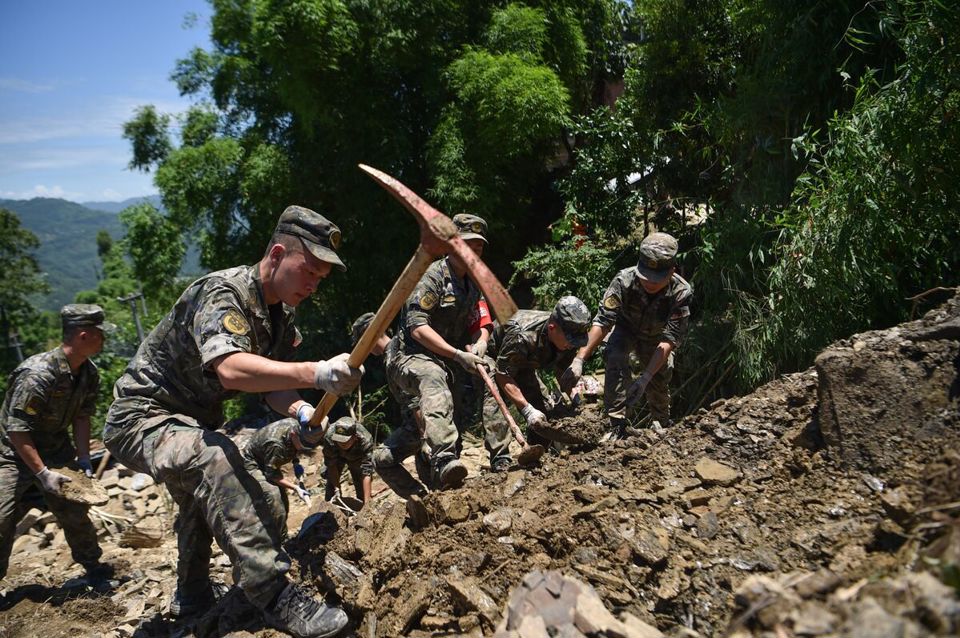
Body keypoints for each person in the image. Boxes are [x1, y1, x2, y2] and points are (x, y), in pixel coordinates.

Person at [102, 206, 363, 638]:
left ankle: (192, 595)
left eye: (322, 278)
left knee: (200, 493)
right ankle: (274, 593)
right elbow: (232, 369)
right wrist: (316, 372)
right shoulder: (223, 293)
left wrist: (300, 410)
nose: (314, 285)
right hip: (140, 416)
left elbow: (268, 382)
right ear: (278, 254)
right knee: (214, 458)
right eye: (309, 271)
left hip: (188, 422)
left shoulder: (280, 315)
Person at [386, 214, 511, 490]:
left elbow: (482, 320)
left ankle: (500, 456)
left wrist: (481, 341)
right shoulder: (433, 277)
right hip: (411, 356)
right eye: (468, 246)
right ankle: (442, 459)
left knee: (490, 369)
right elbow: (417, 328)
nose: (473, 253)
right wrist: (456, 354)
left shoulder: (473, 283)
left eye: (478, 249)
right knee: (432, 379)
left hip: (449, 358)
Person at [0, 304, 115, 585]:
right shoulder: (38, 375)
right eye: (101, 334)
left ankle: (93, 567)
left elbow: (81, 417)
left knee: (75, 510)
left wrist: (84, 459)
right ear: (84, 336)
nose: (105, 339)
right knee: (1, 519)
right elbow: (17, 430)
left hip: (55, 449)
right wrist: (42, 474)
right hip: (12, 454)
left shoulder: (88, 373)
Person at [560, 232, 693, 438]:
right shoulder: (624, 280)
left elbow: (670, 339)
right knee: (614, 356)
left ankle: (661, 423)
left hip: (657, 338)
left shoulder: (681, 292)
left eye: (656, 280)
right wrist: (579, 359)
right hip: (625, 329)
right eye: (646, 276)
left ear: (671, 271)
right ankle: (616, 423)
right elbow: (603, 321)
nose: (649, 283)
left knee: (658, 377)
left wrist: (645, 377)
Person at [487, 296, 591, 444]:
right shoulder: (522, 336)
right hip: (493, 355)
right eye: (571, 340)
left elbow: (561, 371)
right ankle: (500, 459)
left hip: (524, 362)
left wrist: (575, 397)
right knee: (494, 404)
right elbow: (502, 374)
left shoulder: (565, 339)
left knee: (542, 412)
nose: (573, 345)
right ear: (552, 328)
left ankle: (540, 451)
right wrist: (527, 410)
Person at [240, 417, 316, 538]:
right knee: (274, 495)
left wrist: (296, 463)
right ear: (293, 435)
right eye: (302, 444)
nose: (304, 448)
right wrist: (296, 488)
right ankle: (280, 540)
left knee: (284, 499)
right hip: (252, 462)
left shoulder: (299, 427)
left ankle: (281, 533)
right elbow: (271, 475)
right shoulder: (276, 446)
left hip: (267, 457)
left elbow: (295, 447)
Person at [320, 416, 374, 506]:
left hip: (356, 456)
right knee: (331, 488)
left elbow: (366, 472)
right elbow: (331, 465)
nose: (341, 443)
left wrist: (367, 504)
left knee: (362, 489)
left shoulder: (365, 440)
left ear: (354, 437)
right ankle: (331, 509)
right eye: (339, 440)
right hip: (337, 456)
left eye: (345, 441)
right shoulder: (329, 436)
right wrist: (337, 488)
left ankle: (363, 507)